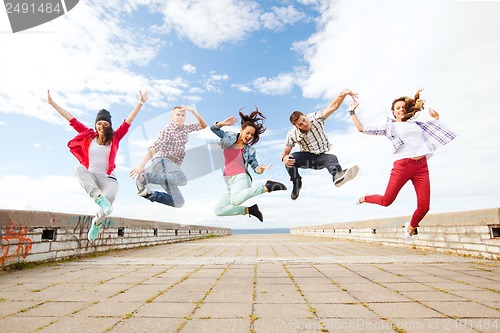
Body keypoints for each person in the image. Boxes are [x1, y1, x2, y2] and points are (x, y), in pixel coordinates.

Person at [348, 89, 458, 242]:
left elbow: (434, 130)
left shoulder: (417, 125)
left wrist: (437, 118)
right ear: (393, 112)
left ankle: (411, 227)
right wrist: (352, 112)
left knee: (424, 207)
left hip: (421, 167)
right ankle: (365, 198)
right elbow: (361, 129)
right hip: (402, 166)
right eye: (397, 108)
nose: (401, 109)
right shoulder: (390, 127)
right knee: (386, 201)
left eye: (403, 107)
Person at [48, 89, 148, 241]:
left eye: (105, 123)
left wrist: (140, 103)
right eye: (99, 123)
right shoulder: (89, 135)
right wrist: (52, 103)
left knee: (109, 201)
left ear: (109, 125)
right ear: (96, 125)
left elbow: (129, 120)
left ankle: (96, 222)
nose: (102, 126)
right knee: (78, 169)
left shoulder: (116, 137)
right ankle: (97, 197)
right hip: (92, 176)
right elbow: (71, 118)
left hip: (108, 178)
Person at [281, 88, 360, 200]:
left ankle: (338, 175)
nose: (304, 124)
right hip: (307, 158)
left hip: (320, 158)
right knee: (289, 159)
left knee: (332, 158)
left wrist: (342, 94)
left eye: (304, 120)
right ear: (296, 126)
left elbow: (333, 107)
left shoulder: (316, 118)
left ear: (305, 115)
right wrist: (284, 159)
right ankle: (296, 182)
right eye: (300, 124)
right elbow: (285, 153)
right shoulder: (292, 134)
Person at [211, 109, 287, 222]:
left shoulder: (250, 150)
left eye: (252, 134)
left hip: (241, 177)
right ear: (241, 130)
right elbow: (214, 129)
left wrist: (260, 169)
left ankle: (267, 187)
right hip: (229, 180)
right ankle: (250, 210)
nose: (250, 136)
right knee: (219, 210)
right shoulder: (229, 137)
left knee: (235, 201)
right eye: (248, 133)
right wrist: (222, 123)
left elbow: (255, 167)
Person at [130, 105, 207, 208]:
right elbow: (155, 147)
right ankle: (145, 178)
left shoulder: (185, 128)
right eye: (178, 115)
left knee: (178, 202)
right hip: (161, 161)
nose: (180, 117)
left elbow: (203, 126)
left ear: (185, 118)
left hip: (167, 172)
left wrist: (193, 111)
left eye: (183, 115)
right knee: (181, 179)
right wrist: (141, 165)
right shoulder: (168, 130)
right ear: (172, 116)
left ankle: (150, 194)